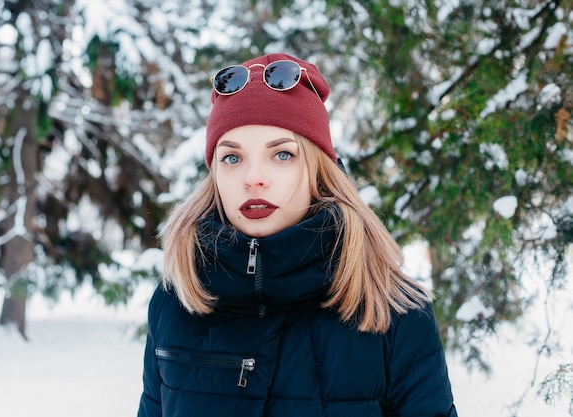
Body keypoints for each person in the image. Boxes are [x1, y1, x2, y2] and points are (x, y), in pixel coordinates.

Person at [137, 52, 458, 417]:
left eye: (283, 155)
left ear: (319, 170)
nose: (253, 177)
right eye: (231, 157)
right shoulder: (173, 303)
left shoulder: (396, 314)